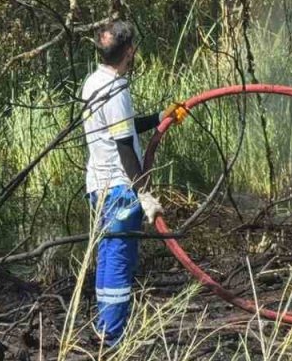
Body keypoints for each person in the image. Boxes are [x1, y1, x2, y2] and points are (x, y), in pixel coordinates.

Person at [81, 19, 188, 346]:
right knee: (118, 261)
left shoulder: (95, 81)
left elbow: (121, 127)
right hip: (118, 189)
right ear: (130, 51)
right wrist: (143, 193)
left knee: (108, 254)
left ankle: (104, 330)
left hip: (99, 186)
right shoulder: (116, 88)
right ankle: (112, 339)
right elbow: (124, 146)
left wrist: (159, 117)